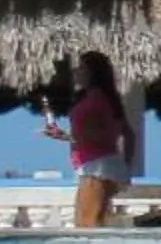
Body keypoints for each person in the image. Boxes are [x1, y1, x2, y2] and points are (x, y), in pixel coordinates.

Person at [41, 52, 135, 229]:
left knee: (87, 224)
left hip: (97, 166)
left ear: (93, 72)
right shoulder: (101, 97)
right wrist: (66, 136)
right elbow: (124, 134)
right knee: (92, 221)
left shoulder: (96, 99)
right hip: (100, 164)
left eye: (82, 68)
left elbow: (103, 134)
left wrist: (74, 136)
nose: (77, 72)